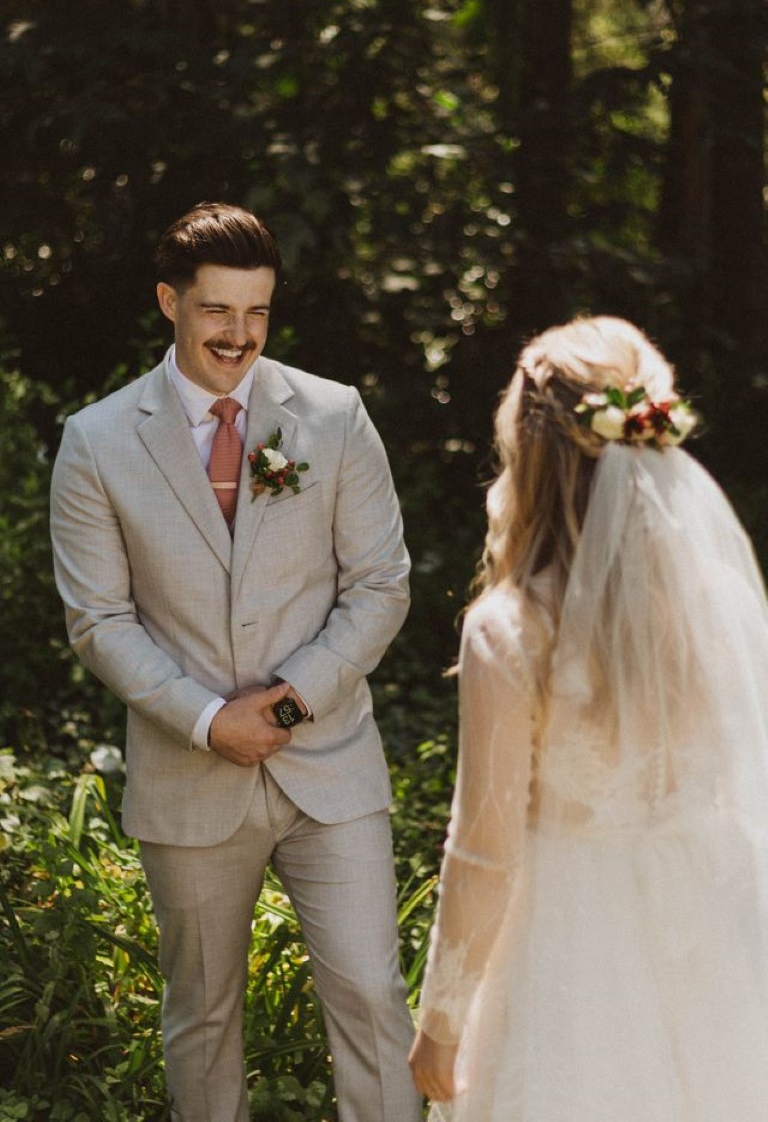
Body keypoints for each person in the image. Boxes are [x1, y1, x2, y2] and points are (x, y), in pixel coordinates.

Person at [50, 202, 423, 1122]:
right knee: (202, 1018)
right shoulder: (97, 441)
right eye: (219, 311)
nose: (240, 335)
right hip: (188, 774)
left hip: (329, 768)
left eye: (257, 313)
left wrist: (289, 706)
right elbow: (98, 619)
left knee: (375, 1002)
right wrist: (212, 721)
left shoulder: (333, 417)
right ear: (170, 301)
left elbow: (383, 584)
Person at [409, 316, 768, 1121]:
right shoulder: (715, 601)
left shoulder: (510, 629)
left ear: (532, 450)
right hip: (707, 937)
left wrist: (441, 1020)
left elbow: (484, 851)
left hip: (568, 955)